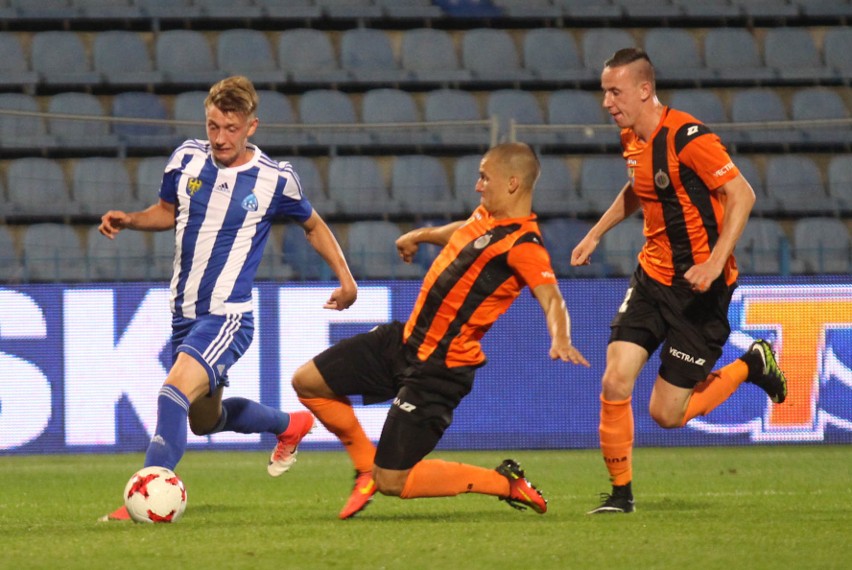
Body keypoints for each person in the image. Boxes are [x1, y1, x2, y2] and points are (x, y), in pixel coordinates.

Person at [97, 76, 358, 521]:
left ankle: (145, 493)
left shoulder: (276, 179)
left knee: (172, 394)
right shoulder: (185, 158)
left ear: (251, 127)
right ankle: (290, 425)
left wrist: (346, 280)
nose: (220, 138)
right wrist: (131, 220)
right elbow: (168, 211)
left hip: (228, 316)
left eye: (231, 129)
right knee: (203, 421)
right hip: (183, 314)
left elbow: (313, 225)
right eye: (213, 126)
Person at [291, 142, 590, 520]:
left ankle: (505, 483)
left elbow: (552, 298)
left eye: (485, 177)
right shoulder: (486, 216)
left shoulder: (525, 245)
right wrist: (422, 235)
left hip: (440, 371)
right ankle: (365, 466)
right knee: (307, 382)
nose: (478, 186)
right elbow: (462, 232)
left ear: (513, 183)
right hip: (403, 342)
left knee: (393, 482)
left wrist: (560, 336)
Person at [570, 48, 788, 514]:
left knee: (666, 415)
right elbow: (639, 187)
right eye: (604, 92)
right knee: (615, 379)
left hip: (700, 290)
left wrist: (713, 262)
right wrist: (595, 232)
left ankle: (751, 364)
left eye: (615, 91)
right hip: (652, 278)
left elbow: (741, 194)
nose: (607, 102)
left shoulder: (688, 137)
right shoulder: (631, 138)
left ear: (645, 89)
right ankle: (620, 495)